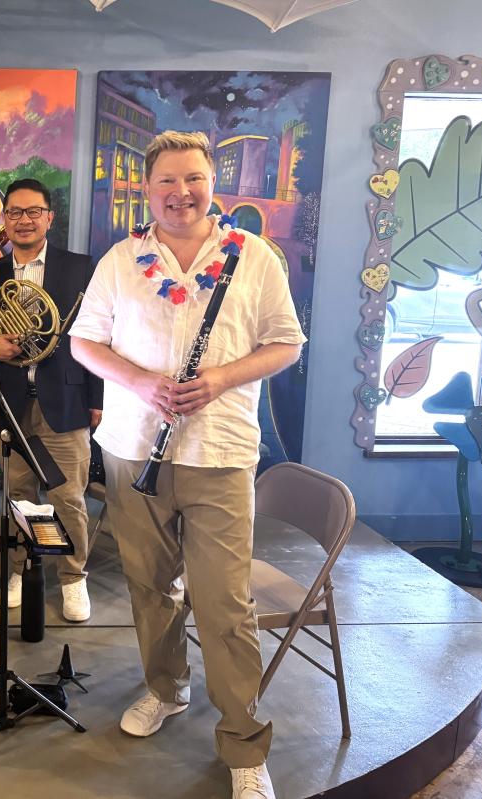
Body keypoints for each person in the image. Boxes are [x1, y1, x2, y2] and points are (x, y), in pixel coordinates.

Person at [69, 131, 305, 799]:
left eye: (193, 178)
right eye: (167, 181)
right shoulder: (121, 259)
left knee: (225, 603)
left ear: (211, 184)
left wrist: (221, 377)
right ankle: (167, 687)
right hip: (132, 446)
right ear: (149, 190)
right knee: (149, 585)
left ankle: (244, 743)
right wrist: (142, 383)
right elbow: (84, 341)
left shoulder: (253, 257)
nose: (181, 192)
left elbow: (287, 343)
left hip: (220, 452)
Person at [0, 178, 102, 622]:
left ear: (49, 218)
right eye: (15, 212)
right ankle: (20, 569)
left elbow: (98, 336)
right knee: (19, 496)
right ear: (5, 219)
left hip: (65, 399)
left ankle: (73, 577)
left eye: (33, 211)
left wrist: (97, 399)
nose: (24, 220)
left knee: (68, 496)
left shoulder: (80, 267)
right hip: (10, 402)